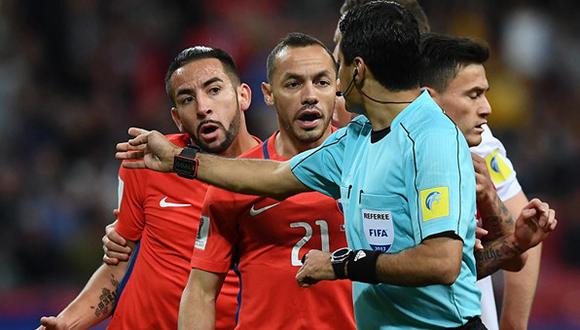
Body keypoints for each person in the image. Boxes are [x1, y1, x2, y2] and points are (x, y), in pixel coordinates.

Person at [115, 3, 556, 328]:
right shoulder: (357, 139)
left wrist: (344, 264)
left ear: (356, 70)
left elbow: (442, 262)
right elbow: (274, 176)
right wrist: (180, 160)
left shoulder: (433, 138)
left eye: (336, 59)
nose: (330, 70)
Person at [335, 1, 548, 329]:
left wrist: (512, 326)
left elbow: (523, 239)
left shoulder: (475, 140)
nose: (338, 56)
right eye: (339, 44)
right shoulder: (349, 136)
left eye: (346, 45)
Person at [38, 46, 260, 330]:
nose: (203, 107)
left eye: (214, 90)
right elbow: (115, 269)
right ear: (177, 118)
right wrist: (67, 323)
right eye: (187, 98)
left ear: (243, 95)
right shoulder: (147, 161)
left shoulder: (274, 176)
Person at [179, 32, 355, 330]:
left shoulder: (367, 162)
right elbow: (200, 291)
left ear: (337, 89)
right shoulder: (235, 179)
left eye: (322, 82)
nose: (309, 95)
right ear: (269, 93)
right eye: (293, 83)